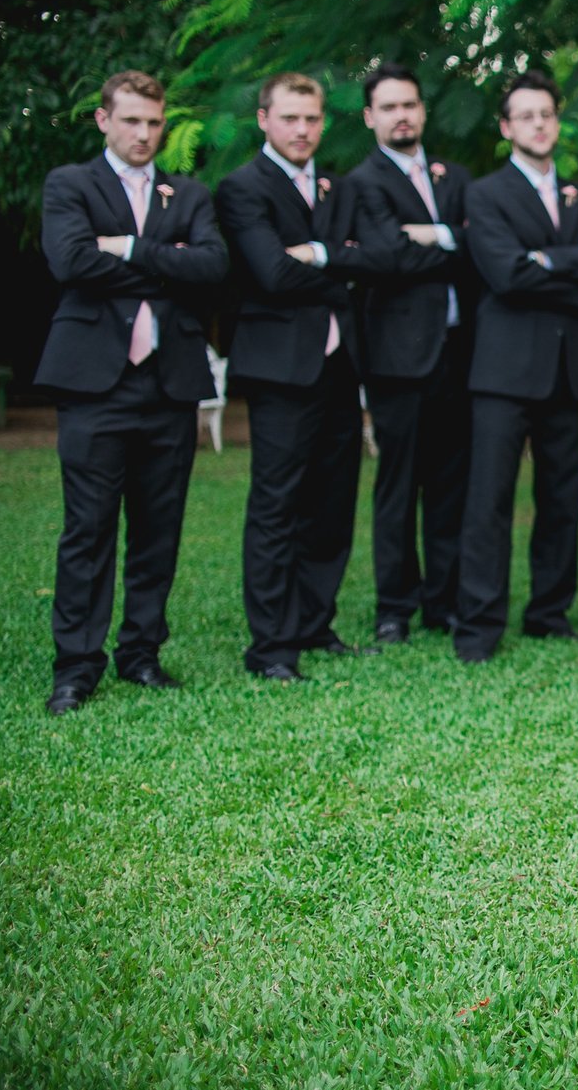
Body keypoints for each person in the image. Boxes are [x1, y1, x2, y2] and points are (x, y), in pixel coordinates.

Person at [36, 70, 228, 715]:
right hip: (93, 383)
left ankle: (141, 654)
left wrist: (123, 248)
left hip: (169, 383)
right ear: (103, 120)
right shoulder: (71, 184)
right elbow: (69, 262)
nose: (144, 134)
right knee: (88, 529)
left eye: (154, 122)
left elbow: (212, 268)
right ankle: (76, 666)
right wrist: (161, 261)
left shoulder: (189, 194)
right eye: (132, 121)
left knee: (158, 528)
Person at [454, 72, 578, 661]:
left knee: (562, 498)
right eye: (525, 116)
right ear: (506, 128)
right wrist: (576, 268)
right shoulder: (484, 193)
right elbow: (504, 274)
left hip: (568, 368)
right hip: (503, 372)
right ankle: (479, 625)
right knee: (490, 500)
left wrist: (548, 261)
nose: (539, 123)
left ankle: (549, 613)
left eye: (547, 113)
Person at [217, 72, 379, 682]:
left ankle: (314, 624)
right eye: (289, 118)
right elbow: (271, 275)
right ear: (264, 119)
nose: (302, 130)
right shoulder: (242, 188)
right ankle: (272, 645)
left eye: (311, 119)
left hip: (340, 367)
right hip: (281, 371)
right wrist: (344, 262)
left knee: (333, 505)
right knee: (277, 506)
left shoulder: (336, 185)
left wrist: (322, 255)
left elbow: (378, 259)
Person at [348, 62, 479, 645]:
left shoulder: (456, 177)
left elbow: (478, 249)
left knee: (452, 485)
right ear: (370, 116)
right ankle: (394, 606)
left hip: (459, 353)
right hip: (397, 358)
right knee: (397, 487)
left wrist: (428, 234)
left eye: (410, 104)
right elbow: (388, 257)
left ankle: (442, 601)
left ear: (422, 111)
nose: (402, 115)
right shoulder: (361, 182)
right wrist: (448, 236)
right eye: (390, 106)